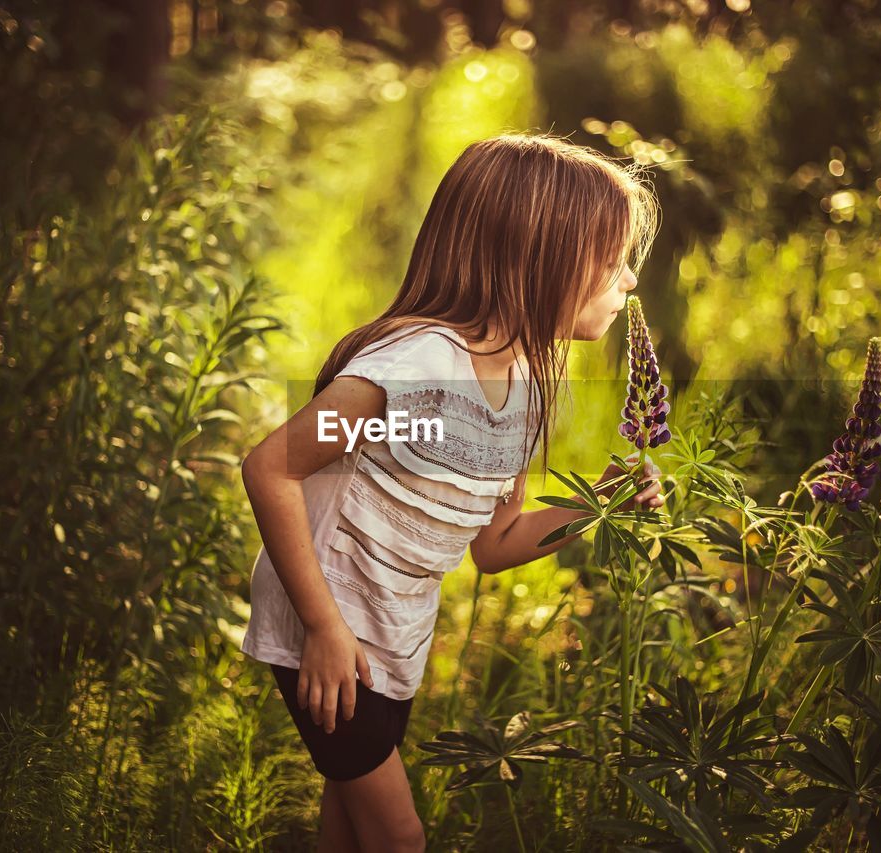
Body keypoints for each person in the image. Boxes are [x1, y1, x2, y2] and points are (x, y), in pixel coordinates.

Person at [239, 132, 666, 852]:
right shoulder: (418, 372)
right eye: (613, 260)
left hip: (392, 641)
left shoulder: (527, 386)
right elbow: (271, 467)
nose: (629, 281)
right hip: (329, 630)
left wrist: (600, 504)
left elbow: (497, 546)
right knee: (399, 837)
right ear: (544, 258)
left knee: (348, 835)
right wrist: (321, 628)